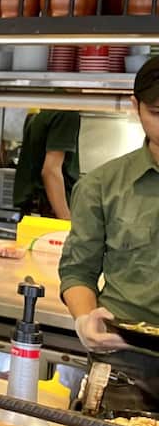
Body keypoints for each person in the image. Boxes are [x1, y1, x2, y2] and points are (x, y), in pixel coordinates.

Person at [60, 56, 159, 383]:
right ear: (136, 107)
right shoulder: (101, 186)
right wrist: (85, 320)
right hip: (125, 357)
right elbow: (78, 270)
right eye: (157, 114)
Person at [12, 109, 80, 219]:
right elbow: (51, 171)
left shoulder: (42, 111)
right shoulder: (67, 113)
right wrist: (66, 219)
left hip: (33, 209)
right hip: (49, 211)